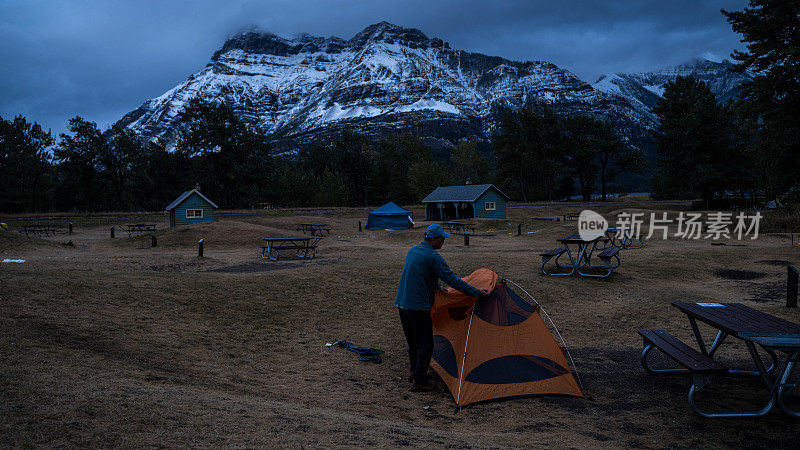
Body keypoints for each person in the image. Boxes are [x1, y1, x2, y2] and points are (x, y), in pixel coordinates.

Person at [395, 223, 490, 392]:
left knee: (414, 342)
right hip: (418, 306)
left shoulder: (414, 250)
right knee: (426, 344)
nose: (443, 242)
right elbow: (453, 280)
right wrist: (475, 292)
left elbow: (419, 273)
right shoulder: (433, 257)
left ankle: (414, 372)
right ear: (433, 239)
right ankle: (420, 382)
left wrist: (436, 285)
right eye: (441, 239)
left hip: (402, 303)